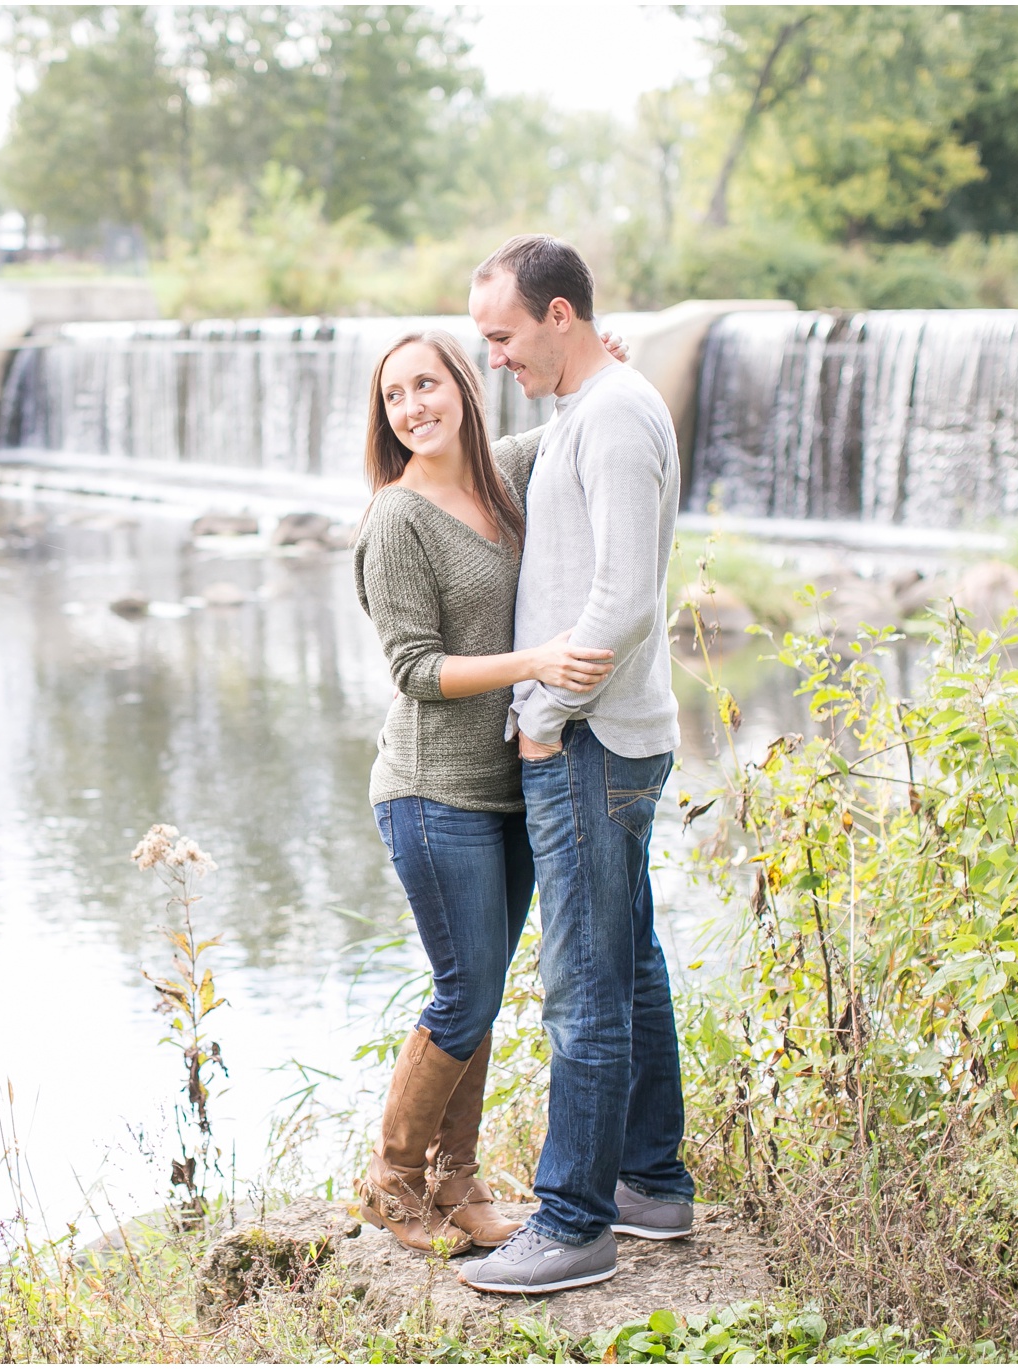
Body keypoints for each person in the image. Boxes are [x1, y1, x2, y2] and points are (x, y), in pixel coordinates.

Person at [351, 327, 625, 1255]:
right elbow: (415, 669)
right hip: (432, 793)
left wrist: (601, 356)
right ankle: (392, 1181)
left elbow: (585, 417)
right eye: (395, 397)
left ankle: (456, 1183)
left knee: (484, 991)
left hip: (509, 786)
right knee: (464, 990)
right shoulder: (396, 518)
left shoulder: (507, 474)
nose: (413, 406)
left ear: (464, 386)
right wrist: (540, 658)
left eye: (426, 384)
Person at [456, 235, 693, 1296]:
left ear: (558, 317)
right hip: (601, 736)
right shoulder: (594, 404)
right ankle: (648, 1181)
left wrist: (544, 714)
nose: (492, 356)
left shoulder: (612, 415)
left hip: (589, 741)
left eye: (502, 337)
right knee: (627, 962)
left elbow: (625, 597)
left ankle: (572, 1221)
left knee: (583, 988)